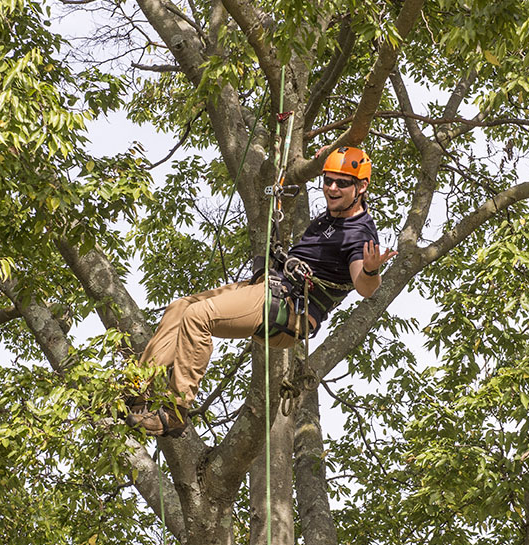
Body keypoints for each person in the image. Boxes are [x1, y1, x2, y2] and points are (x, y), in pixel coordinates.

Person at [126, 146, 396, 436]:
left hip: (289, 309)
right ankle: (133, 393)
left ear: (362, 186)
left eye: (342, 183)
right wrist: (323, 156)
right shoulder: (332, 215)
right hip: (270, 288)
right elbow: (326, 169)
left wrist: (370, 269)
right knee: (179, 308)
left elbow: (365, 287)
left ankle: (176, 411)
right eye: (327, 180)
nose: (331, 188)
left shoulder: (360, 233)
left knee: (197, 315)